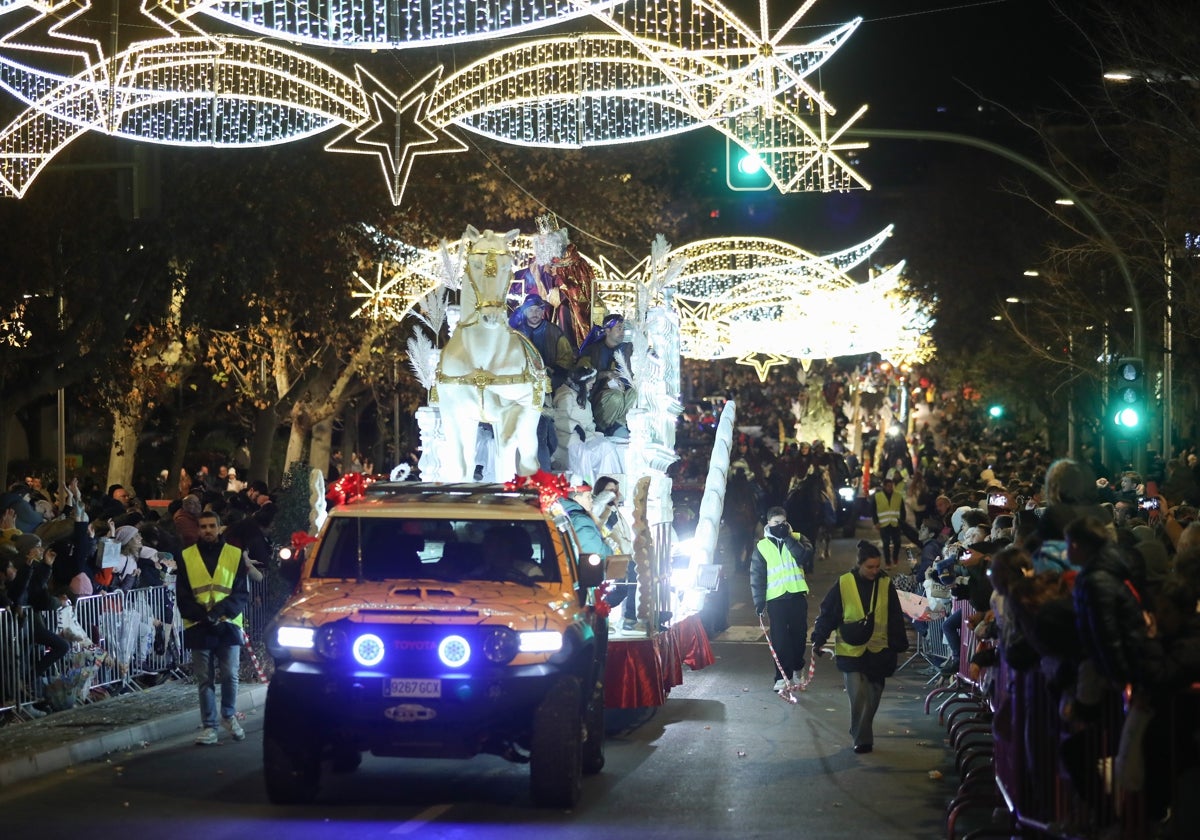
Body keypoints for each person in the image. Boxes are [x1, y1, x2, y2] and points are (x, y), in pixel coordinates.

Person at [810, 540, 909, 754]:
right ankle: (863, 739)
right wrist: (818, 639)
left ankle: (860, 728)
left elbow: (894, 615)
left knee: (873, 697)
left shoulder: (885, 583)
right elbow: (829, 613)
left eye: (877, 566)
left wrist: (898, 643)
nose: (874, 571)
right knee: (858, 696)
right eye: (870, 567)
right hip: (850, 651)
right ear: (859, 565)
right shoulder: (844, 583)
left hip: (879, 651)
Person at [175, 510, 250, 746]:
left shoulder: (234, 555)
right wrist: (204, 616)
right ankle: (210, 726)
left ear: (219, 528)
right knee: (205, 679)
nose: (207, 530)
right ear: (198, 529)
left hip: (226, 624)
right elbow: (183, 594)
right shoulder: (186, 556)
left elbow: (240, 592)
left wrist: (217, 614)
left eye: (211, 526)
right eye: (203, 526)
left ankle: (228, 715)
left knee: (230, 675)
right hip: (200, 625)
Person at [750, 506, 814, 691]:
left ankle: (797, 668)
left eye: (782, 522)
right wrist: (759, 602)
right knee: (780, 641)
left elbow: (804, 556)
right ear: (768, 523)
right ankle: (780, 677)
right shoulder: (762, 546)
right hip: (776, 600)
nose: (779, 525)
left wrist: (787, 537)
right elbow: (757, 576)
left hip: (796, 595)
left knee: (799, 637)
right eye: (776, 523)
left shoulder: (798, 538)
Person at [577, 313, 637, 438]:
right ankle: (604, 428)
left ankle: (619, 425)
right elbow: (582, 375)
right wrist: (606, 374)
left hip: (622, 391)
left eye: (623, 329)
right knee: (616, 397)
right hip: (598, 397)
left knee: (635, 394)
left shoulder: (627, 349)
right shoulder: (593, 350)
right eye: (619, 328)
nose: (622, 332)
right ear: (608, 330)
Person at [872, 471, 906, 568]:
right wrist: (876, 522)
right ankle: (888, 562)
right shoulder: (877, 496)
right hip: (884, 524)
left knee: (897, 543)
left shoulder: (898, 496)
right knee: (886, 544)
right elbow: (873, 511)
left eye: (891, 486)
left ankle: (895, 557)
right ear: (884, 486)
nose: (890, 488)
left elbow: (902, 510)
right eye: (888, 486)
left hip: (895, 524)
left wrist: (902, 522)